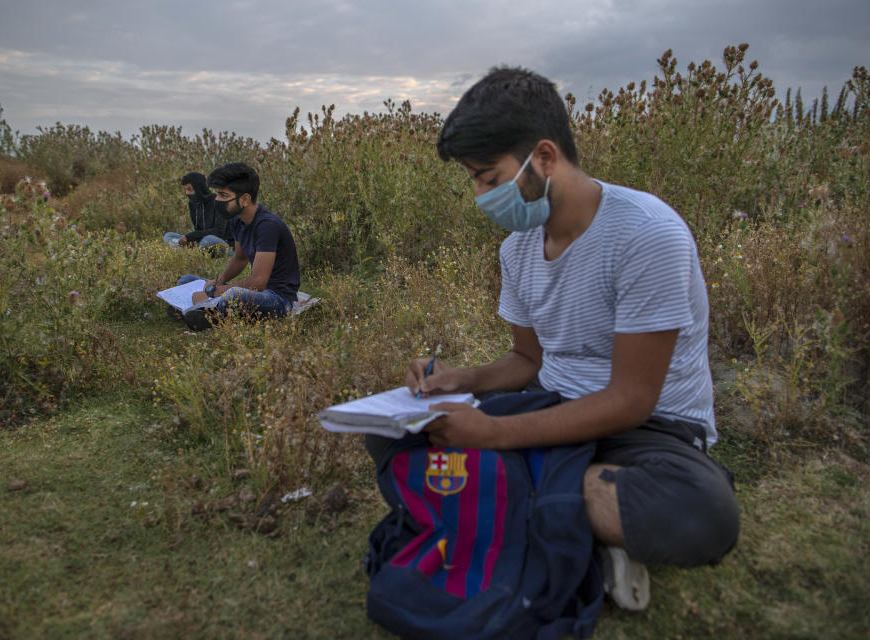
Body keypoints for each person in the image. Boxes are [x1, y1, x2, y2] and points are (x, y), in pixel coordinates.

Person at [370, 66, 739, 611]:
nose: (479, 196)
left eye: (489, 179)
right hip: (551, 408)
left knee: (702, 514)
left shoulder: (646, 234)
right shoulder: (518, 248)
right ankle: (567, 519)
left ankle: (502, 500)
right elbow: (528, 359)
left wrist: (493, 435)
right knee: (392, 430)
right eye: (473, 180)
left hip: (645, 433)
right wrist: (458, 380)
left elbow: (630, 401)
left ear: (544, 157)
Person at [177, 163, 300, 330]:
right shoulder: (237, 220)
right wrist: (218, 282)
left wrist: (214, 292)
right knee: (186, 280)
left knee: (233, 295)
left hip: (278, 298)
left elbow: (258, 282)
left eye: (223, 195)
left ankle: (208, 313)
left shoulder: (267, 226)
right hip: (255, 293)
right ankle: (207, 310)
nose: (217, 200)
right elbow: (240, 258)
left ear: (244, 199)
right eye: (217, 194)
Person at [163, 171, 232, 256]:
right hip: (201, 241)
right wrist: (190, 239)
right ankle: (190, 253)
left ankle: (190, 252)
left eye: (189, 189)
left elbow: (219, 232)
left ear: (198, 188)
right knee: (168, 236)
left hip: (222, 243)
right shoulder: (193, 204)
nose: (187, 193)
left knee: (208, 240)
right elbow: (198, 230)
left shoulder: (218, 201)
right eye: (185, 189)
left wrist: (189, 237)